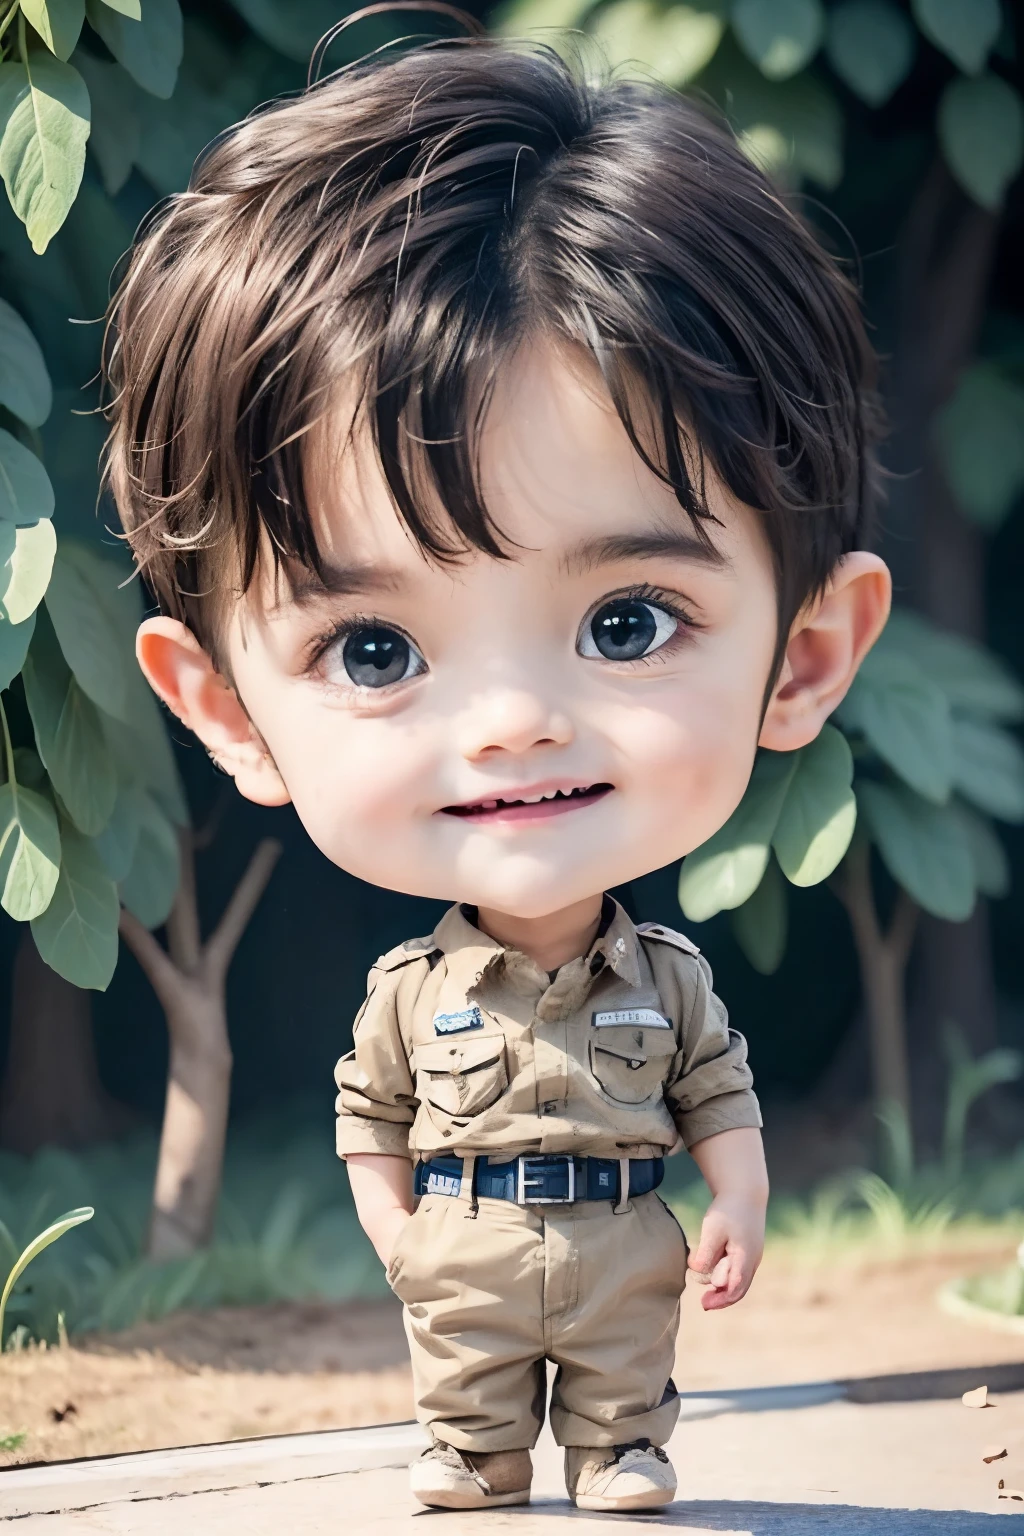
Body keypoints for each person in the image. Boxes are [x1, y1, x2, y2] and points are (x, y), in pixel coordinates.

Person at [103, 34, 891, 1515]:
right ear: (226, 710)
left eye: (626, 623)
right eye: (377, 650)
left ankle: (619, 1446)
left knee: (621, 1375)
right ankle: (471, 1450)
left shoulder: (672, 982)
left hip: (620, 1242)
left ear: (802, 654)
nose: (512, 723)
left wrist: (738, 1190)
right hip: (462, 1249)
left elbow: (715, 1089)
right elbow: (367, 1105)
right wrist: (396, 1232)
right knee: (470, 1396)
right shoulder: (413, 999)